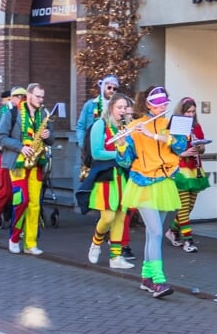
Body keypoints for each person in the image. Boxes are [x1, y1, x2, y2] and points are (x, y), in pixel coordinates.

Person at [117, 86, 186, 298]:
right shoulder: (135, 126)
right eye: (159, 105)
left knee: (152, 234)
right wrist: (121, 144)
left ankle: (146, 278)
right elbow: (125, 161)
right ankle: (159, 281)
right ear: (149, 105)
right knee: (156, 232)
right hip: (143, 183)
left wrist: (154, 135)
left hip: (165, 182)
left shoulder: (173, 123)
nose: (163, 108)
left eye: (165, 104)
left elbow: (181, 146)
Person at [0, 83, 53, 255]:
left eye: (42, 97)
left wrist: (48, 136)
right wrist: (20, 147)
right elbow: (1, 137)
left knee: (35, 204)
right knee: (21, 201)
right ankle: (14, 238)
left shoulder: (44, 114)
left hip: (36, 164)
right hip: (18, 164)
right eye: (38, 96)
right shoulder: (11, 113)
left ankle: (30, 243)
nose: (41, 100)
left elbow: (51, 140)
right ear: (28, 95)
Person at [85, 94, 136, 269]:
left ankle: (116, 257)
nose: (122, 111)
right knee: (108, 217)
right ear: (111, 107)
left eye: (125, 108)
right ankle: (96, 242)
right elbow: (96, 153)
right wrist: (120, 154)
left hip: (122, 176)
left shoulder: (125, 127)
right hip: (106, 176)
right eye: (119, 107)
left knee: (121, 217)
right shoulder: (100, 125)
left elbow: (131, 154)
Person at [166, 96, 209, 253]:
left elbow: (203, 148)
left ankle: (172, 230)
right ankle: (188, 240)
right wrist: (183, 153)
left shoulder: (197, 127)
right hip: (180, 169)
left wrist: (200, 148)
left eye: (193, 112)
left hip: (196, 168)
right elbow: (168, 149)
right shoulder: (175, 127)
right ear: (181, 112)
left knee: (189, 207)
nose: (191, 115)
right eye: (188, 112)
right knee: (184, 207)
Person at [0, 88, 27, 235]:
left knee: (21, 193)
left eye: (24, 97)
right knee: (6, 191)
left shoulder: (30, 114)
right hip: (5, 158)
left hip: (24, 160)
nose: (21, 100)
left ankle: (19, 225)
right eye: (18, 97)